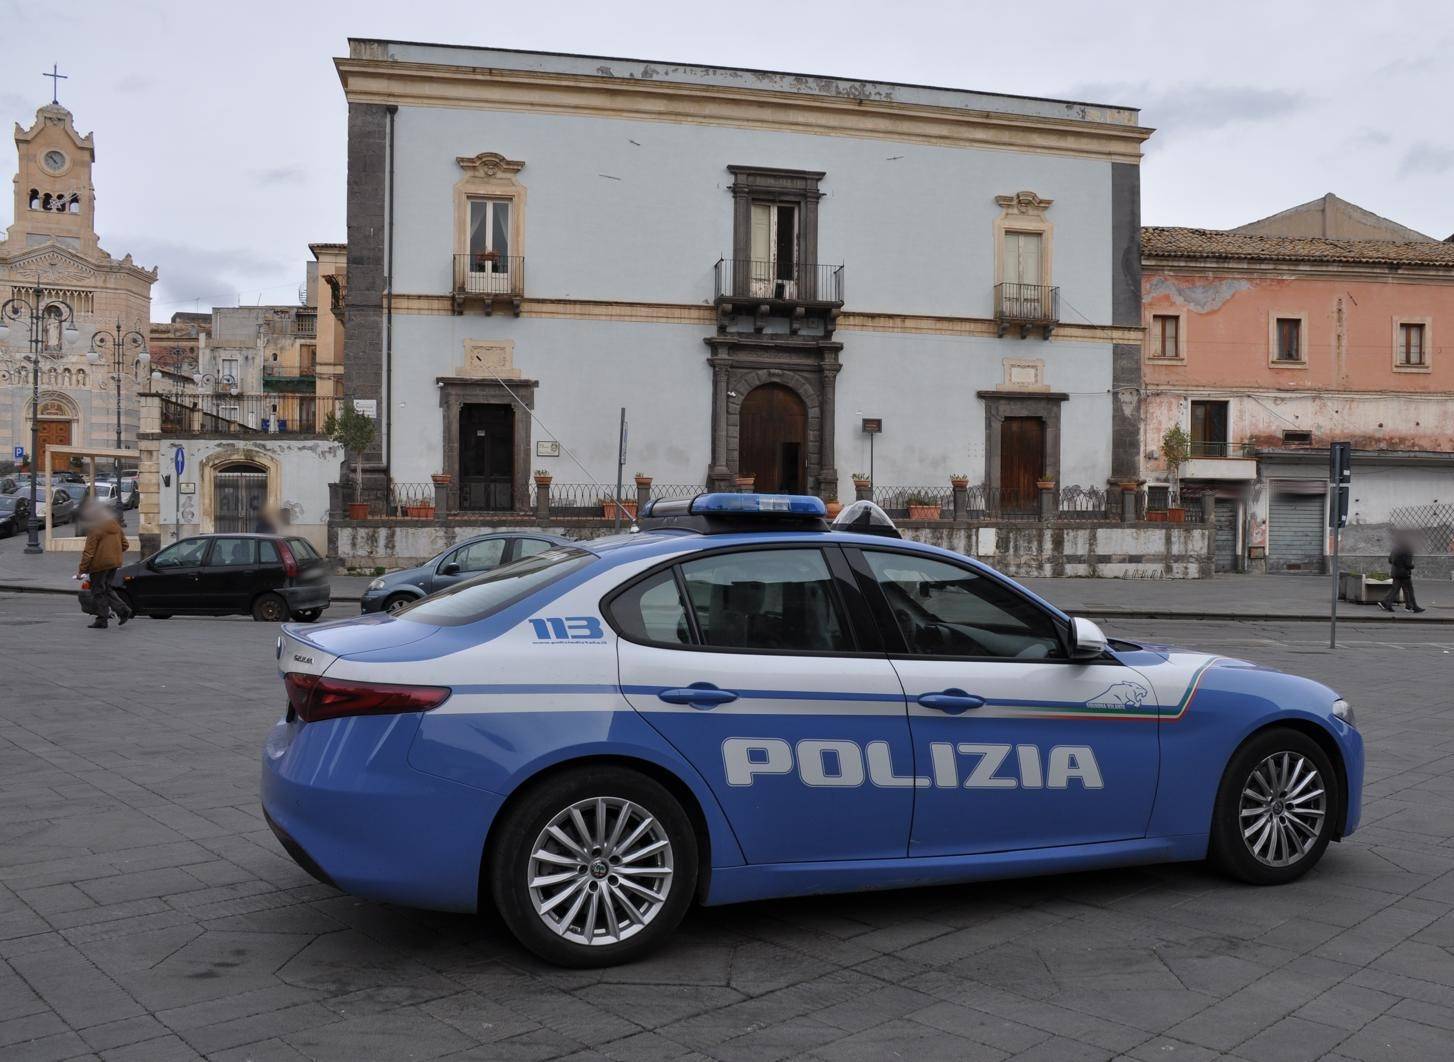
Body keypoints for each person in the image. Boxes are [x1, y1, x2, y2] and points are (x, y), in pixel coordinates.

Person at [77, 499, 132, 629]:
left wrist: (82, 570)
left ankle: (102, 619)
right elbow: (125, 545)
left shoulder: (95, 528)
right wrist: (113, 554)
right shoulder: (115, 526)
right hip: (114, 563)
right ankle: (123, 610)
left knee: (98, 591)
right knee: (107, 588)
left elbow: (89, 552)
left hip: (99, 565)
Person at [1379, 531, 1425, 614]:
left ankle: (1387, 604)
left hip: (1395, 572)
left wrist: (1398, 565)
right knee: (1409, 590)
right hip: (1404, 574)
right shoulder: (1408, 551)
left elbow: (1390, 560)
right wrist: (1412, 566)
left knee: (1395, 589)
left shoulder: (1395, 550)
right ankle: (1414, 607)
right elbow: (1408, 564)